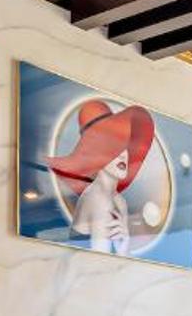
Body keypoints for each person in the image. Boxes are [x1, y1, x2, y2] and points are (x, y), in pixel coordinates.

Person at [49, 100, 155, 252]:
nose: (122, 155)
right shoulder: (98, 198)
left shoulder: (119, 201)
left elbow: (112, 259)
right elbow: (100, 262)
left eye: (125, 145)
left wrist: (124, 246)